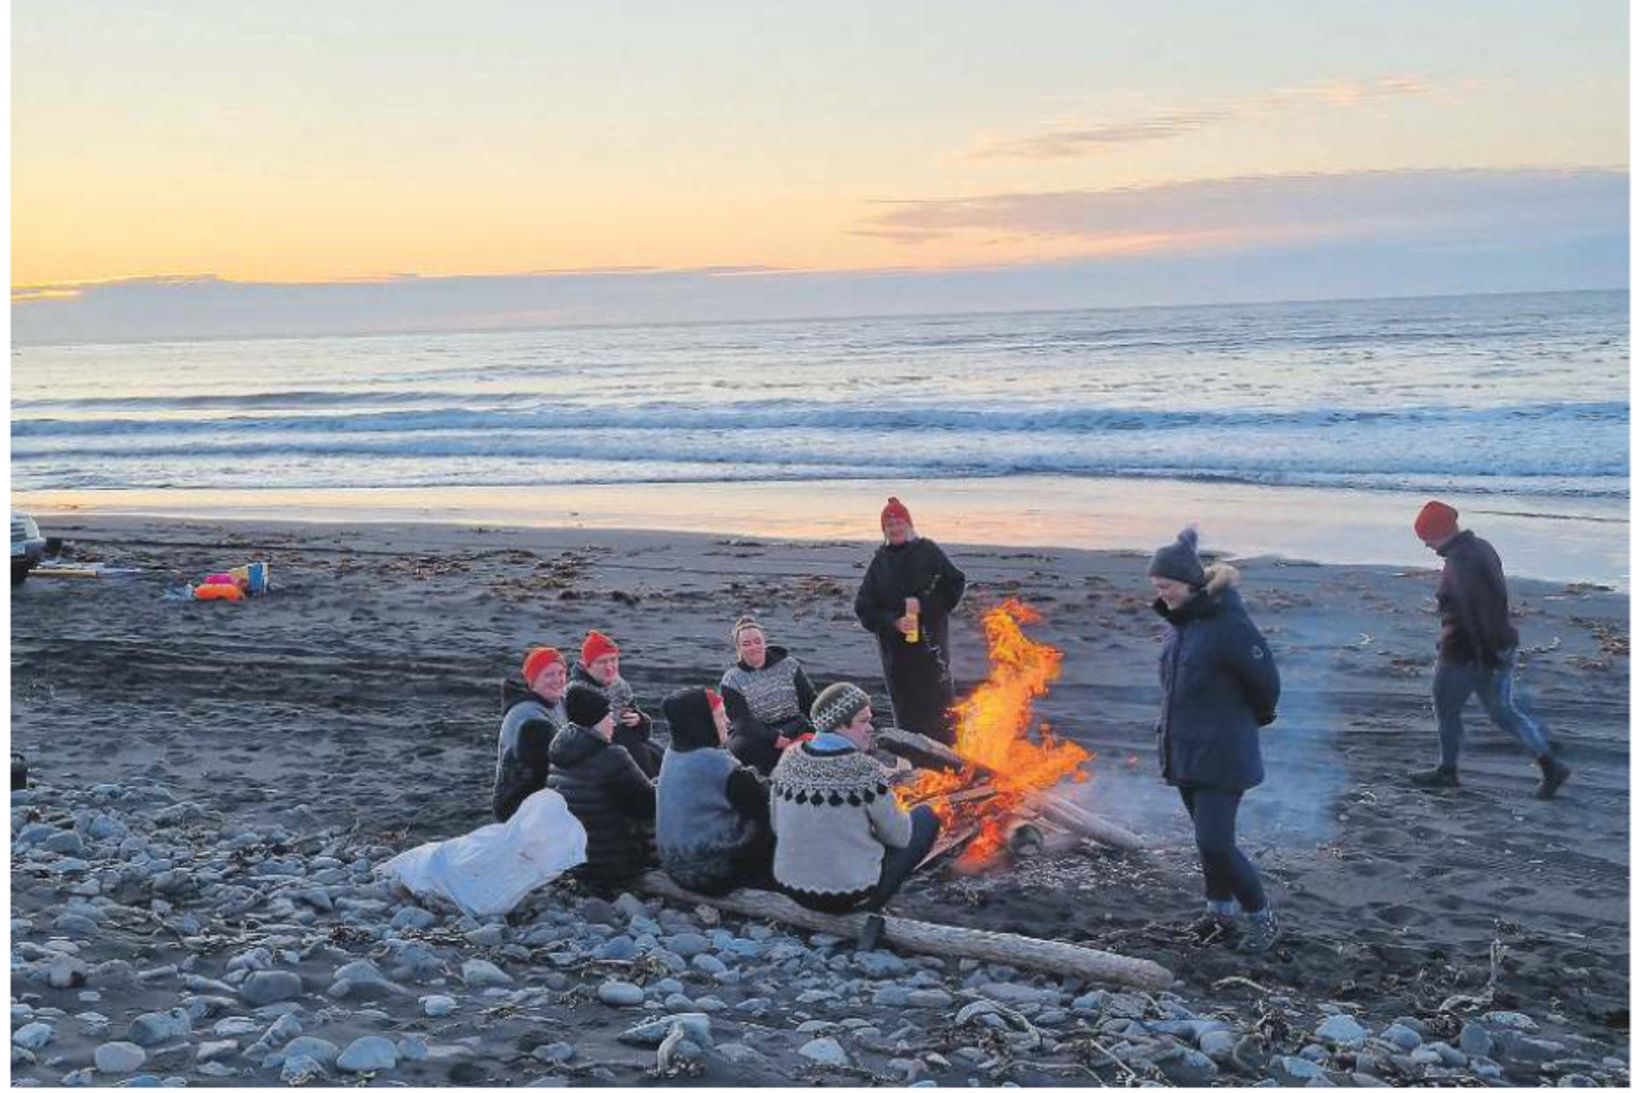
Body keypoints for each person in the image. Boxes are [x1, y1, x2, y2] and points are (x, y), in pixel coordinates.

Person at [1149, 527, 1282, 954]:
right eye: (1157, 587)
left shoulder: (1228, 625)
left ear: (1189, 584)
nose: (1161, 594)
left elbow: (1266, 683)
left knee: (1215, 842)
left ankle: (1261, 917)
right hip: (1185, 750)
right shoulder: (1181, 625)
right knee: (1207, 840)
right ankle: (1218, 914)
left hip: (1224, 753)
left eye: (1166, 586)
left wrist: (1248, 722)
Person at [1408, 501, 1570, 799]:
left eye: (1427, 538)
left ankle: (1447, 771)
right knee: (1503, 712)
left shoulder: (1460, 562)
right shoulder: (1482, 547)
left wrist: (1482, 656)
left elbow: (1474, 614)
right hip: (1500, 645)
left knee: (1446, 708)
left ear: (1440, 532)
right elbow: (1492, 605)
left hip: (1467, 653)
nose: (1428, 546)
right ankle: (1550, 765)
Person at [770, 681, 941, 949]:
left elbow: (777, 825)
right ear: (840, 725)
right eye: (863, 721)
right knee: (926, 817)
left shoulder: (790, 757)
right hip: (844, 899)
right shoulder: (864, 769)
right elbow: (899, 837)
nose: (871, 728)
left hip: (790, 888)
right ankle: (868, 908)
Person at [853, 497, 967, 744]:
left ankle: (950, 761)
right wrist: (893, 622)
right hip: (897, 655)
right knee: (907, 712)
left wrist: (925, 607)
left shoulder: (928, 551)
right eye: (889, 524)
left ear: (909, 524)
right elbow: (864, 607)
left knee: (940, 706)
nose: (895, 528)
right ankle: (913, 764)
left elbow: (955, 582)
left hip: (930, 646)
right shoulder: (880, 563)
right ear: (884, 530)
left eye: (899, 522)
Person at [655, 686, 775, 894]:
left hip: (673, 866)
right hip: (708, 874)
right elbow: (761, 801)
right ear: (702, 722)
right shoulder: (716, 762)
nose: (728, 722)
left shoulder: (673, 752)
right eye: (720, 716)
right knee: (773, 814)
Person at [547, 684, 657, 890]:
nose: (613, 722)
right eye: (608, 716)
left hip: (574, 862)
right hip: (613, 864)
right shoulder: (612, 756)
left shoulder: (560, 751)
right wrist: (662, 785)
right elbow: (648, 806)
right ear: (596, 721)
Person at [719, 616, 818, 775]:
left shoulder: (789, 665)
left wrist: (828, 722)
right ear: (739, 648)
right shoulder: (731, 679)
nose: (753, 647)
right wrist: (773, 738)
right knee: (741, 747)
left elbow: (809, 700)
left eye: (757, 641)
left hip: (792, 725)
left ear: (764, 642)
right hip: (755, 733)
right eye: (747, 644)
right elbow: (741, 721)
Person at [569, 630, 663, 779]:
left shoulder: (619, 687)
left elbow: (643, 733)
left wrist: (639, 720)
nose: (609, 667)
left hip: (635, 755)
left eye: (613, 660)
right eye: (602, 662)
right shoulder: (579, 693)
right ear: (587, 666)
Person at [492, 646, 569, 822]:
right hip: (520, 806)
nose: (557, 680)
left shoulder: (554, 702)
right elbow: (546, 774)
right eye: (549, 675)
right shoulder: (531, 721)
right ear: (532, 681)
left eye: (561, 673)